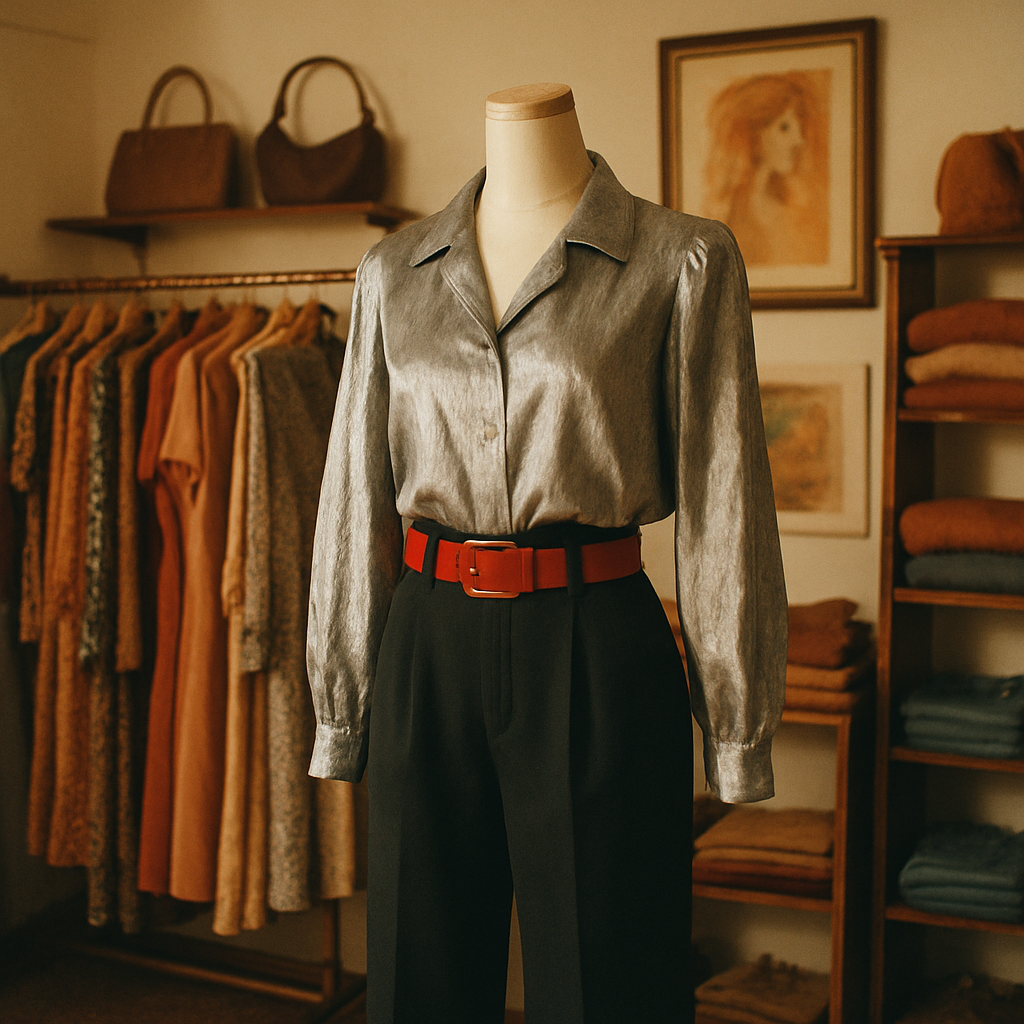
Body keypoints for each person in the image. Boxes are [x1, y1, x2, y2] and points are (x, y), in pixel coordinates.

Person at [306, 82, 787, 1024]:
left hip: (595, 639)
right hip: (427, 641)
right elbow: (354, 493)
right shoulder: (392, 270)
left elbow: (727, 498)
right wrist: (342, 702)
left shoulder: (680, 258)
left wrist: (734, 727)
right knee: (419, 976)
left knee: (610, 977)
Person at [701, 71, 829, 266]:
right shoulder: (724, 219)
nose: (799, 141)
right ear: (751, 133)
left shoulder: (793, 212)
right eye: (784, 127)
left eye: (799, 127)